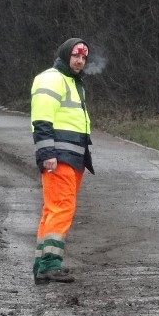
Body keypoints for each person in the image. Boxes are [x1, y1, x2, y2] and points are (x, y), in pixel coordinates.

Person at [30, 37, 94, 285]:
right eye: (76, 56)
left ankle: (42, 263)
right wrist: (47, 155)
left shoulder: (70, 81)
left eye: (84, 57)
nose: (80, 61)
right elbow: (42, 120)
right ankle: (49, 265)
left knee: (52, 210)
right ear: (65, 55)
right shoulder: (52, 79)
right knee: (61, 209)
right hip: (60, 157)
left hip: (71, 157)